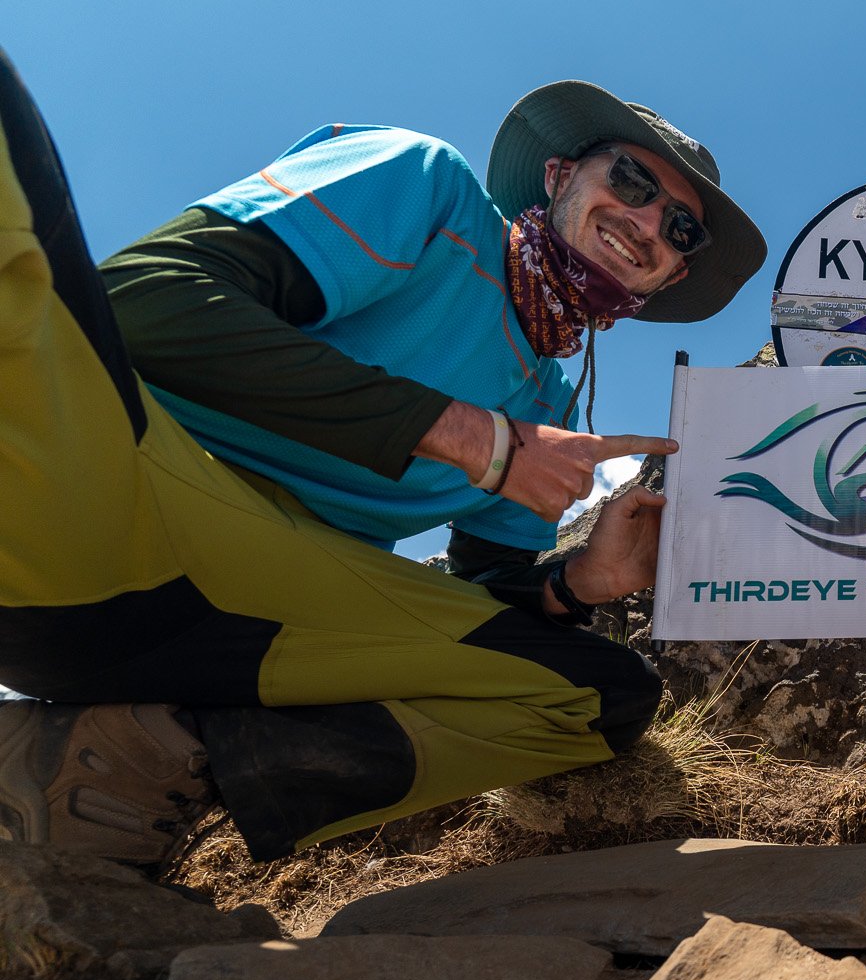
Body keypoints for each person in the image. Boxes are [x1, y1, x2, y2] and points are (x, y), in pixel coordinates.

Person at [0, 58, 765, 869]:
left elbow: (479, 597)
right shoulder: (425, 186)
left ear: (672, 273)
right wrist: (483, 443)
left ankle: (138, 755)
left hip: (258, 616)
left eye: (681, 231)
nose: (648, 223)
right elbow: (148, 304)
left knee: (594, 697)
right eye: (634, 180)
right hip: (104, 487)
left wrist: (580, 581)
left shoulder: (550, 402)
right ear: (560, 172)